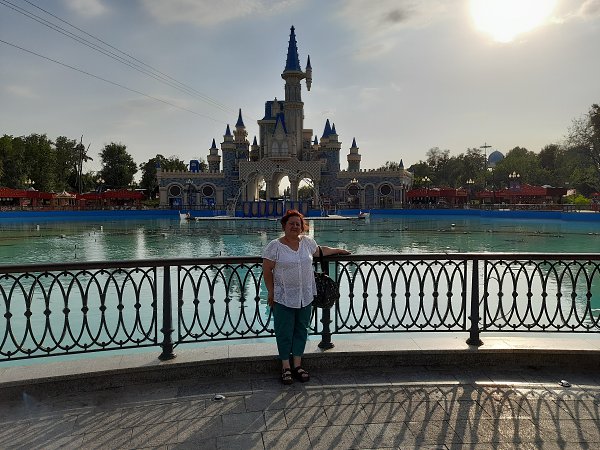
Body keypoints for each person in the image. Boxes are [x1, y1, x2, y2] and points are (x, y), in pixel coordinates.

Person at [262, 209, 351, 385]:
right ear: (284, 226)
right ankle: (285, 367)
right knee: (284, 331)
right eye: (291, 223)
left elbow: (320, 251)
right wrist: (271, 292)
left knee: (302, 330)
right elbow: (267, 270)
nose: (295, 226)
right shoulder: (275, 246)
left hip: (305, 296)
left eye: (298, 224)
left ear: (302, 227)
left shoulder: (307, 243)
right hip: (283, 296)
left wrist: (338, 250)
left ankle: (297, 365)